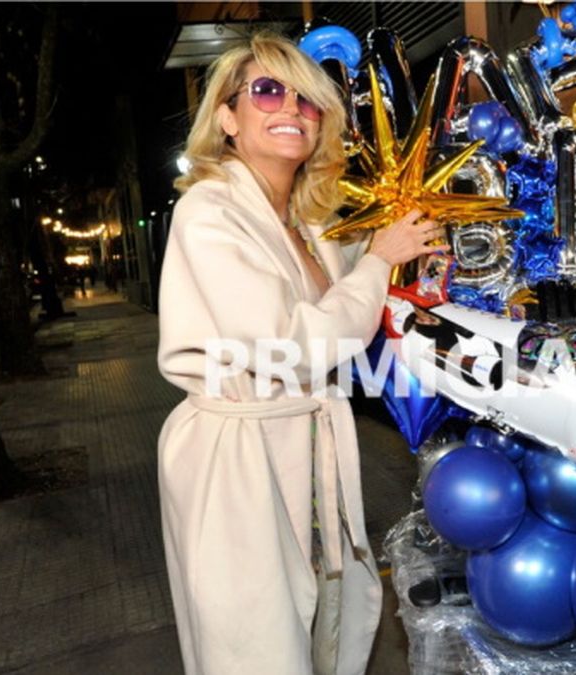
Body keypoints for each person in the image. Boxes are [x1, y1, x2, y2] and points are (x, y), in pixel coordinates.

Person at [156, 34, 444, 675]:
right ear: (227, 118)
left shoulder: (308, 221)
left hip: (308, 450)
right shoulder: (208, 210)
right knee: (254, 647)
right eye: (266, 90)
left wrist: (405, 248)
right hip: (236, 459)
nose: (291, 106)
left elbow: (353, 308)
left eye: (309, 100)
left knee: (325, 628)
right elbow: (297, 344)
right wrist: (378, 261)